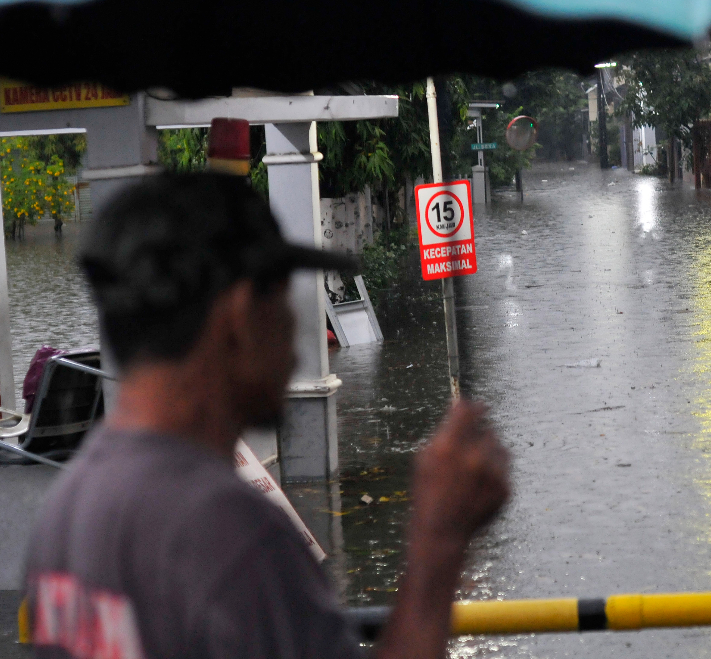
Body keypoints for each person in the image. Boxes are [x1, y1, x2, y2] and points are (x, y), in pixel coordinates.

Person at [23, 173, 510, 659]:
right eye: (283, 305)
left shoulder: (63, 514)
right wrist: (438, 543)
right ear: (238, 316)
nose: (296, 346)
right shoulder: (234, 538)